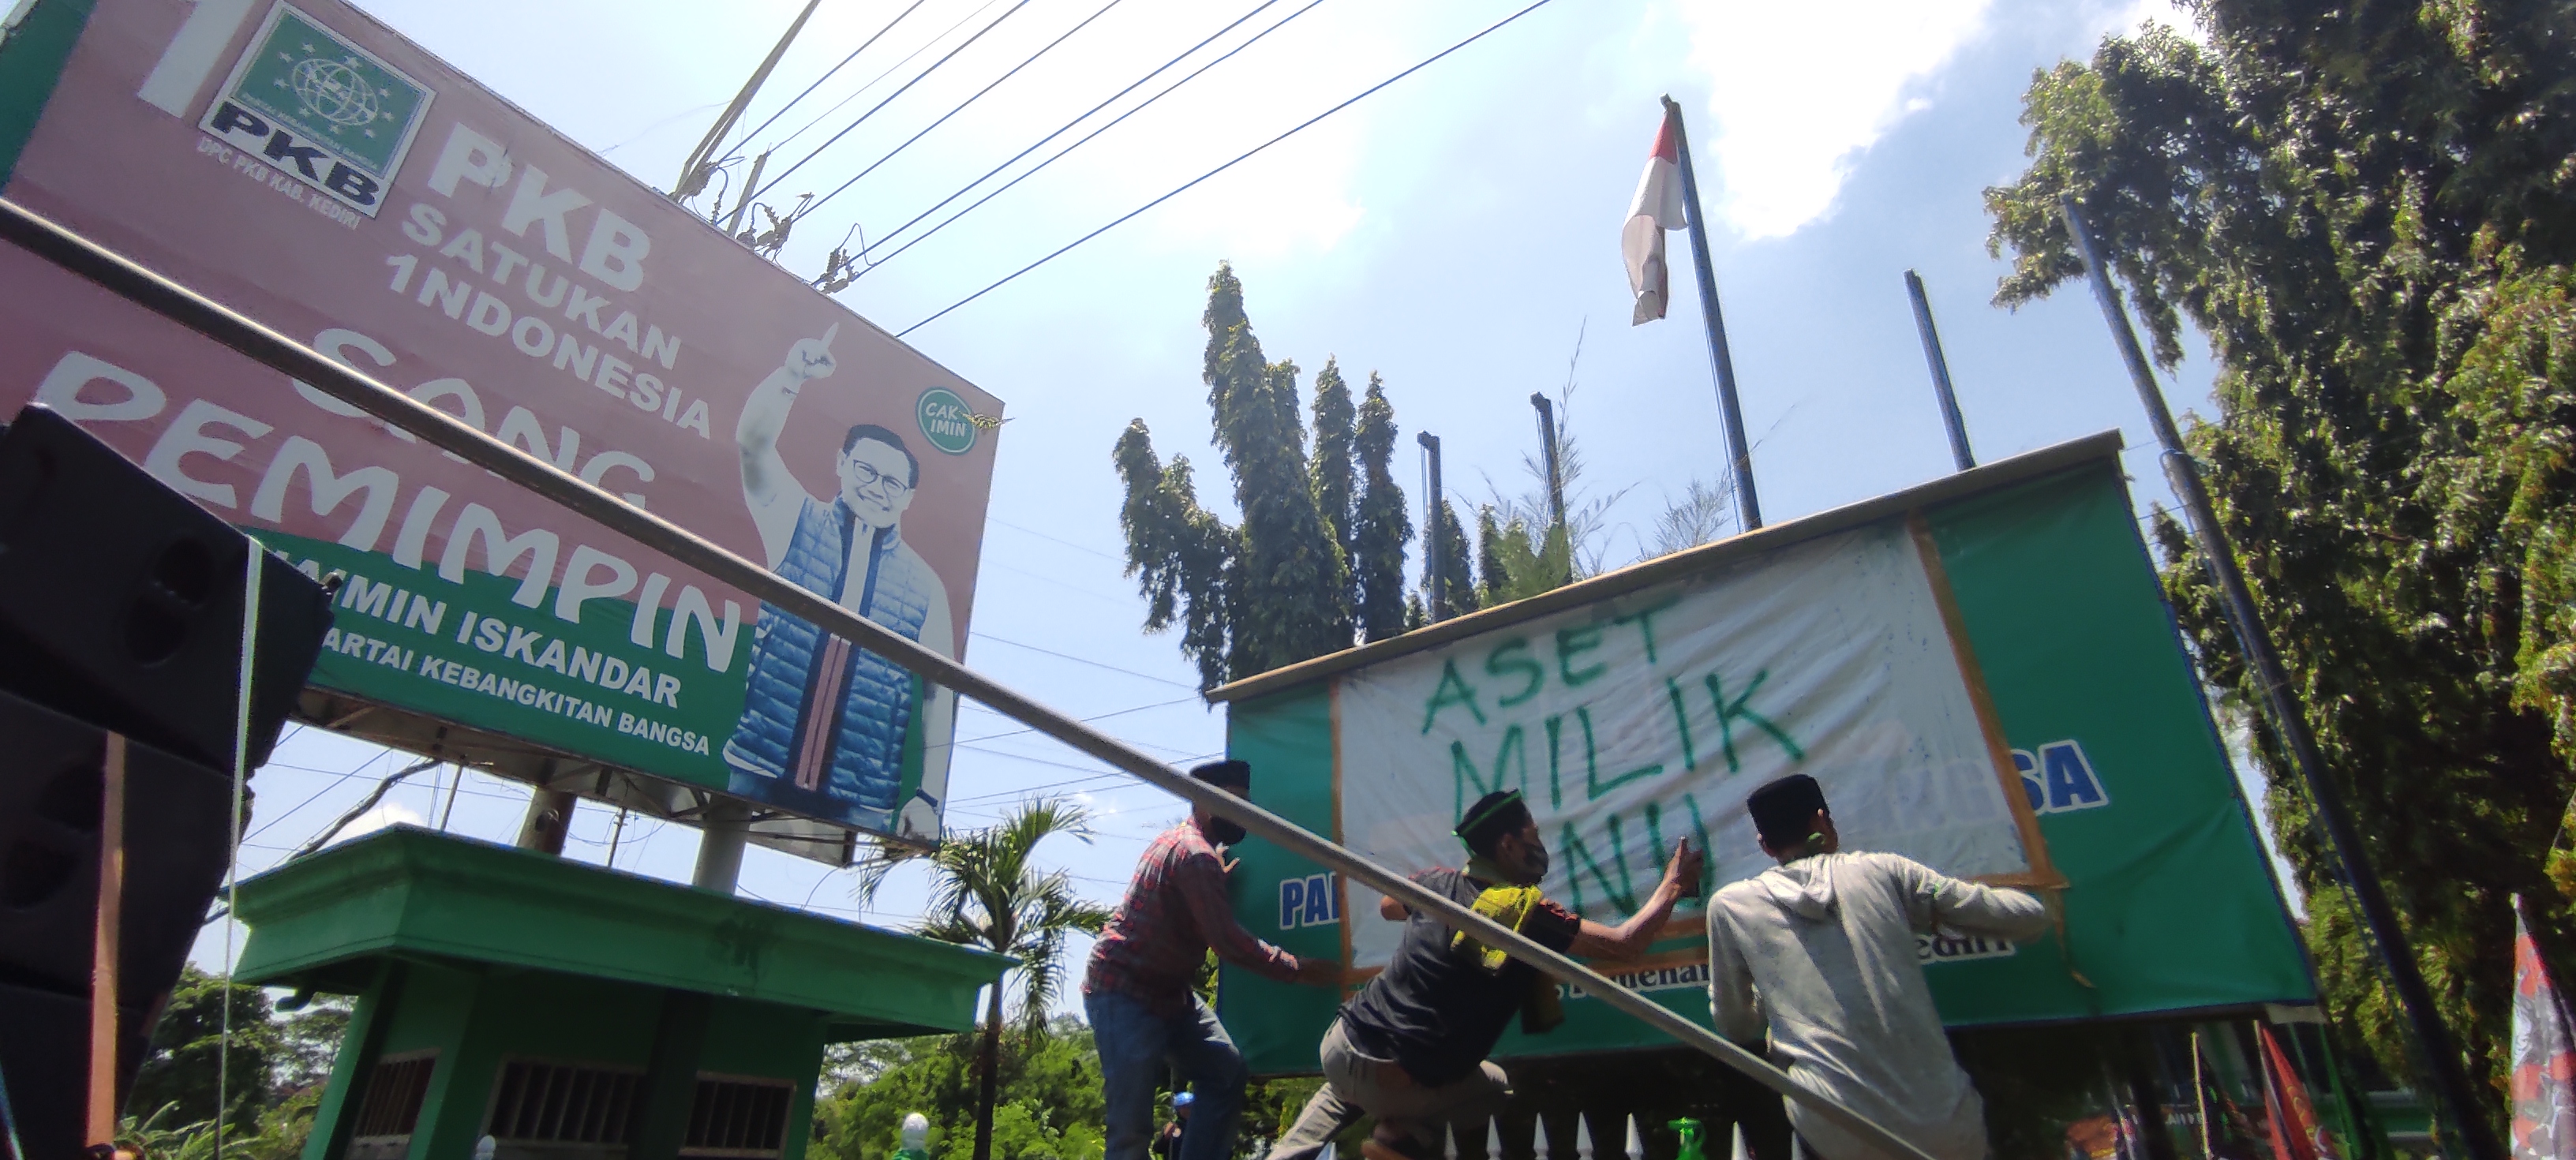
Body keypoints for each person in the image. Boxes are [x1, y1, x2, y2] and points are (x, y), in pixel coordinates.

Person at [1274, 789, 1704, 1160]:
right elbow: (1624, 945)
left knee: (1351, 1081)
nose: (1539, 844)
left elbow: (1389, 907)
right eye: (1533, 834)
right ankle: (1397, 1135)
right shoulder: (1526, 912)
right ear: (1508, 845)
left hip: (1341, 1043)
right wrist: (1673, 885)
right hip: (1395, 1072)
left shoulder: (1435, 884)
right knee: (1493, 1086)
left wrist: (1434, 899)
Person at [1705, 774, 2053, 1160]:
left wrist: (1771, 991)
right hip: (1944, 1124)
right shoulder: (1886, 872)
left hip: (1834, 1126)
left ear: (1765, 845)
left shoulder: (1731, 906)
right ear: (1823, 820)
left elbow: (1734, 1025)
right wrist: (1940, 914)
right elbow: (2028, 917)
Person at [724, 325, 955, 839]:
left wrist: (929, 796)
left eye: (893, 482)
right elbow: (752, 446)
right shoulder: (793, 517)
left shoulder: (926, 586)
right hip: (758, 763)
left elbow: (942, 693)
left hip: (863, 795)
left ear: (910, 496)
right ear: (841, 464)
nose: (878, 489)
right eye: (867, 472)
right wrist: (790, 378)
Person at [1086, 760, 1343, 1160]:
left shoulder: (1187, 848)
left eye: (1246, 802)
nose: (1244, 812)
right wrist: (1298, 968)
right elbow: (1226, 941)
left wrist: (1213, 884)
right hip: (1126, 992)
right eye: (1235, 803)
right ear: (1205, 804)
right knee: (1130, 1128)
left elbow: (1184, 905)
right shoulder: (1195, 856)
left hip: (1169, 993)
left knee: (1224, 1071)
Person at [1153, 1092, 1196, 1160]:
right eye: (1184, 1108)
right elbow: (1157, 1149)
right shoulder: (1173, 1126)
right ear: (1178, 1110)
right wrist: (1165, 1137)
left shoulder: (1197, 1127)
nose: (1188, 1110)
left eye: (1190, 1107)